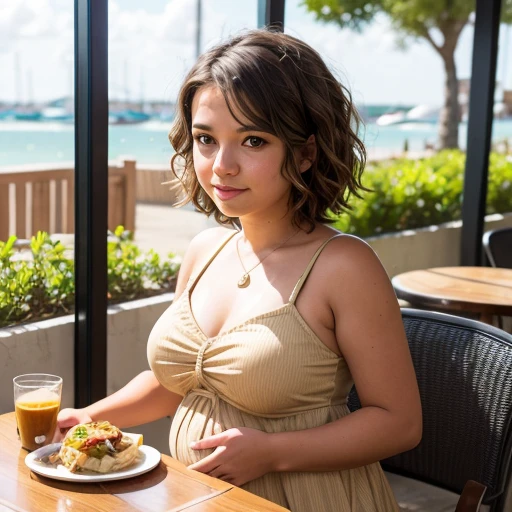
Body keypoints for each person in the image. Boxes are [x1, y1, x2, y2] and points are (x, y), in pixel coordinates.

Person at [57, 28, 422, 511]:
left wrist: (273, 453)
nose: (221, 166)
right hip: (196, 498)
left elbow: (399, 422)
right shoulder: (204, 250)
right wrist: (88, 417)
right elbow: (177, 384)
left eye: (252, 140)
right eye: (206, 139)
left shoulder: (343, 266)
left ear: (306, 152)